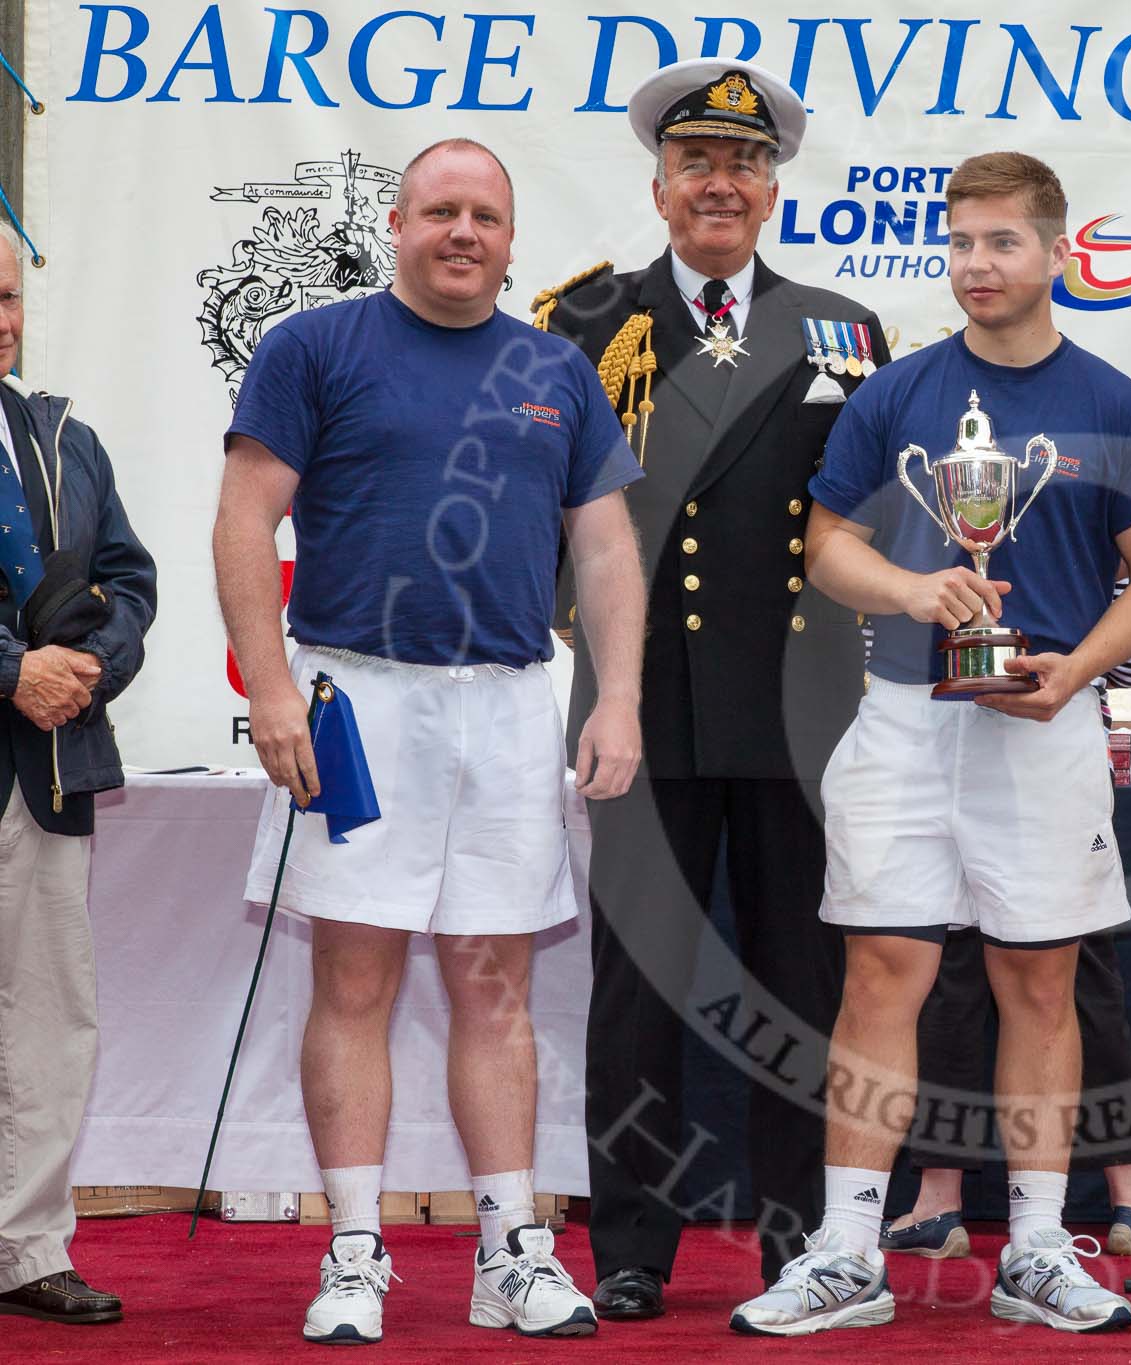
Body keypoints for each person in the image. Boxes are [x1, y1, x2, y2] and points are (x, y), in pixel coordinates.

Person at [728, 151, 1131, 1337]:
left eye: (1002, 244)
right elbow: (827, 546)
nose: (978, 266)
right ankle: (845, 1253)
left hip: (1043, 724)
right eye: (962, 244)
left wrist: (1076, 671)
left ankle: (1035, 1247)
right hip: (899, 721)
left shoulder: (1115, 399)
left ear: (1054, 253)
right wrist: (910, 588)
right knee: (882, 975)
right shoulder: (896, 392)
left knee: (1039, 981)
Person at [214, 138, 646, 1344]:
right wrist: (270, 688)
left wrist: (615, 699)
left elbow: (606, 549)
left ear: (511, 239)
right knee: (352, 978)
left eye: (486, 217)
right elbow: (248, 512)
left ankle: (511, 1247)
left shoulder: (556, 367)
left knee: (494, 983)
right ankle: (354, 1251)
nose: (464, 233)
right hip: (356, 699)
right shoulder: (315, 348)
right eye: (441, 211)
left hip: (507, 703)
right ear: (398, 222)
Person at [531, 57, 889, 1317]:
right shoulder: (585, 324)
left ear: (773, 189)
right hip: (645, 699)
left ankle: (802, 1246)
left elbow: (869, 519)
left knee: (803, 984)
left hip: (801, 709)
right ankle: (629, 1245)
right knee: (638, 983)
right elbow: (551, 516)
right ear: (661, 186)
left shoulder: (843, 328)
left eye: (742, 164)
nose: (719, 184)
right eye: (697, 165)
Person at [885, 620, 1131, 1261]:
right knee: (1078, 978)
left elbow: (881, 651)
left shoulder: (923, 530)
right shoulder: (1076, 533)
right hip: (1043, 748)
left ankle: (939, 1200)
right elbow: (1127, 669)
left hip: (945, 748)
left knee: (951, 970)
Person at [0, 230, 156, 1327]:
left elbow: (129, 580)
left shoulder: (64, 439)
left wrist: (91, 666)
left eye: (7, 296)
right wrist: (11, 670)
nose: (0, 317)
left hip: (45, 770)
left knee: (49, 1021)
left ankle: (25, 1250)